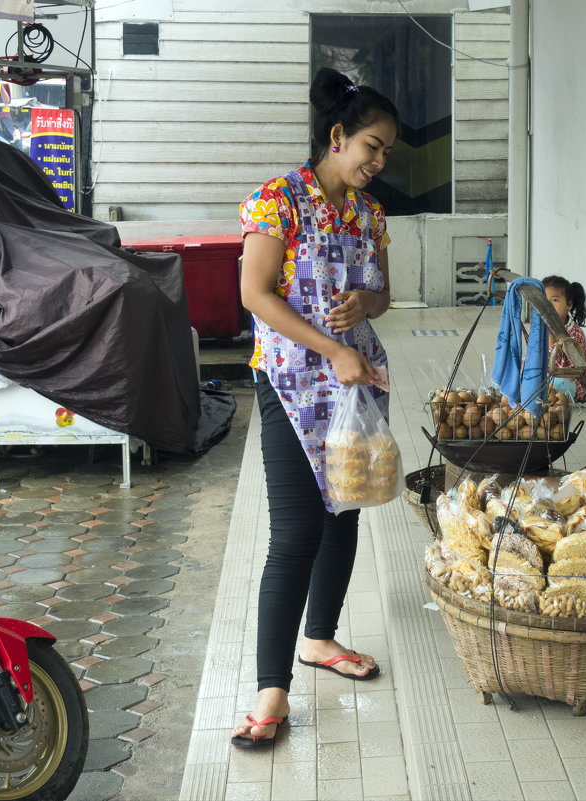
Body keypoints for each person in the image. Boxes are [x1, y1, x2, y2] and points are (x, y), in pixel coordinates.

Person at [230, 67, 400, 748]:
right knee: (297, 530)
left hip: (353, 380)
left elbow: (384, 293)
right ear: (337, 136)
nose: (379, 162)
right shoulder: (279, 200)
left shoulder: (370, 212)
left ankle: (320, 638)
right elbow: (255, 293)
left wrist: (368, 305)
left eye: (387, 151)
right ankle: (271, 690)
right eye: (372, 146)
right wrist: (331, 348)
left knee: (345, 512)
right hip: (292, 381)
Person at [542, 275, 586, 402]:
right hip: (549, 378)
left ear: (569, 304)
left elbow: (571, 368)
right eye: (544, 301)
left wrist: (551, 338)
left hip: (572, 382)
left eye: (554, 300)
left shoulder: (574, 333)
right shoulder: (543, 328)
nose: (548, 306)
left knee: (559, 385)